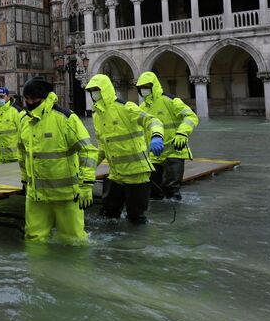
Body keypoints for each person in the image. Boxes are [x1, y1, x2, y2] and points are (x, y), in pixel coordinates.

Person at [17, 77, 99, 244]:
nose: (30, 103)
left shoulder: (66, 119)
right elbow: (22, 154)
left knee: (74, 242)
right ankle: (37, 270)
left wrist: (86, 185)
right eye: (27, 99)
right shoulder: (24, 120)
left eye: (34, 99)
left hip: (66, 196)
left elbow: (88, 151)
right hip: (36, 196)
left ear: (45, 97)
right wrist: (25, 180)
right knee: (33, 240)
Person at [85, 74, 164, 224]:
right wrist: (87, 166)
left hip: (137, 173)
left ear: (106, 90)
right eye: (92, 90)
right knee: (108, 214)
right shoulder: (97, 116)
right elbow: (102, 147)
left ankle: (137, 244)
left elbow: (152, 120)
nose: (94, 93)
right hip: (116, 174)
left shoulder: (126, 107)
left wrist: (157, 136)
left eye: (97, 89)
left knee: (136, 218)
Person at [136, 71, 199, 201]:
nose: (144, 90)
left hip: (174, 151)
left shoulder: (170, 100)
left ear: (153, 86)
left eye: (147, 86)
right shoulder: (142, 107)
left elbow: (191, 116)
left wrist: (182, 133)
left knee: (170, 188)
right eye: (141, 87)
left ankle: (176, 216)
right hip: (155, 153)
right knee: (154, 189)